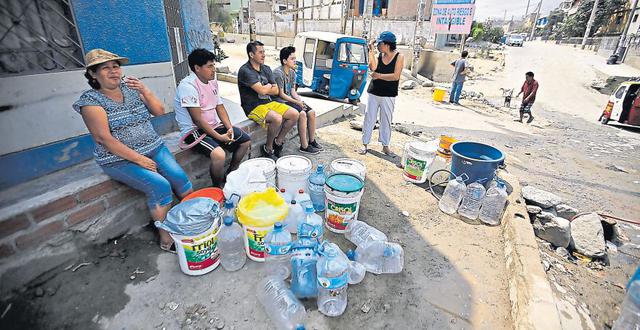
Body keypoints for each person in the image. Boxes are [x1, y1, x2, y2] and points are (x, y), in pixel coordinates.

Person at [73, 49, 193, 253]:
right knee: (160, 186)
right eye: (105, 68)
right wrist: (139, 159)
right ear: (93, 74)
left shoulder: (130, 89)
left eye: (116, 66)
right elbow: (103, 138)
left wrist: (145, 90)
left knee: (180, 178)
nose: (113, 71)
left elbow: (159, 111)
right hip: (118, 159)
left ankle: (193, 219)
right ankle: (166, 239)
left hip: (154, 147)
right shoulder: (91, 101)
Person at [175, 48, 251, 187]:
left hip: (213, 126)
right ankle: (217, 186)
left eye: (214, 65)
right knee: (219, 155)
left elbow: (220, 107)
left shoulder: (212, 82)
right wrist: (220, 137)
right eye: (209, 66)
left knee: (245, 141)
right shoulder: (188, 86)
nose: (214, 69)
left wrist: (229, 129)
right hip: (194, 131)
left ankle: (231, 174)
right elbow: (197, 119)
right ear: (197, 68)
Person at [237, 41, 299, 160]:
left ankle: (278, 142)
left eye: (264, 52)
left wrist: (265, 88)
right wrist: (267, 87)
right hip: (253, 106)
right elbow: (261, 91)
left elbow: (275, 91)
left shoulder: (266, 68)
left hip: (268, 102)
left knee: (294, 114)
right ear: (251, 54)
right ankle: (268, 148)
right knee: (277, 118)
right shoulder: (246, 70)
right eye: (260, 52)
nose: (263, 55)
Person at [359, 31, 404, 155]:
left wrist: (378, 75)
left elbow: (395, 76)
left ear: (386, 44)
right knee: (369, 118)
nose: (378, 46)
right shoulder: (380, 56)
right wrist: (371, 50)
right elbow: (372, 67)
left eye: (379, 44)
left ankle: (385, 145)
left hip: (389, 94)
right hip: (374, 92)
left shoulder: (399, 56)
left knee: (386, 120)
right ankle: (365, 144)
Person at [273, 46, 322, 154]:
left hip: (290, 99)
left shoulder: (292, 73)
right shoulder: (278, 73)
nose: (295, 61)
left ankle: (312, 141)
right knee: (303, 114)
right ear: (284, 61)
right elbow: (281, 94)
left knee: (311, 112)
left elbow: (293, 91)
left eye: (295, 58)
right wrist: (297, 103)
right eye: (292, 59)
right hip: (280, 101)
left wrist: (300, 101)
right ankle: (304, 146)